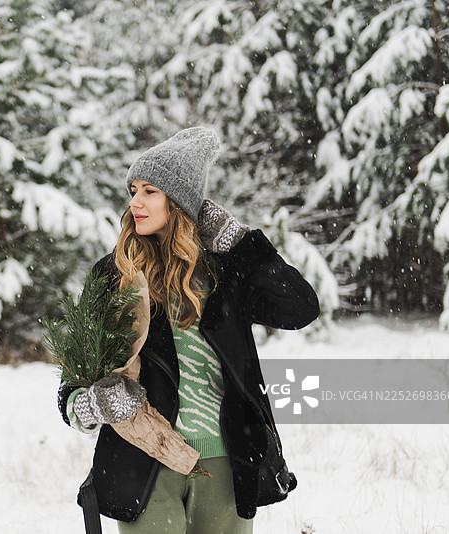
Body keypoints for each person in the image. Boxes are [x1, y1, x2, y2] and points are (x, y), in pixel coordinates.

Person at [57, 126, 320, 534]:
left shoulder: (224, 273)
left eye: (150, 191)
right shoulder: (113, 276)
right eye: (133, 190)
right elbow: (71, 389)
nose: (135, 203)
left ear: (178, 202)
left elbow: (301, 308)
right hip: (146, 461)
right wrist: (94, 405)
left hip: (228, 461)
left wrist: (241, 242)